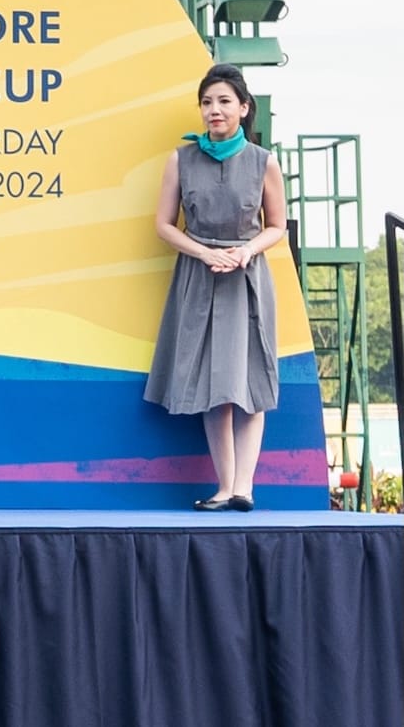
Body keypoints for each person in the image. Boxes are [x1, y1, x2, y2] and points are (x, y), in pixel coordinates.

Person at [144, 63, 287, 512]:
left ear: (244, 109)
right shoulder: (180, 159)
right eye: (207, 102)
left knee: (250, 382)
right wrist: (204, 253)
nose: (214, 110)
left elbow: (277, 226)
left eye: (224, 101)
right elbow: (164, 226)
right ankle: (224, 487)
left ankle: (245, 487)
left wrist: (246, 252)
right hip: (199, 275)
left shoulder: (264, 162)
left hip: (246, 278)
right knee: (212, 384)